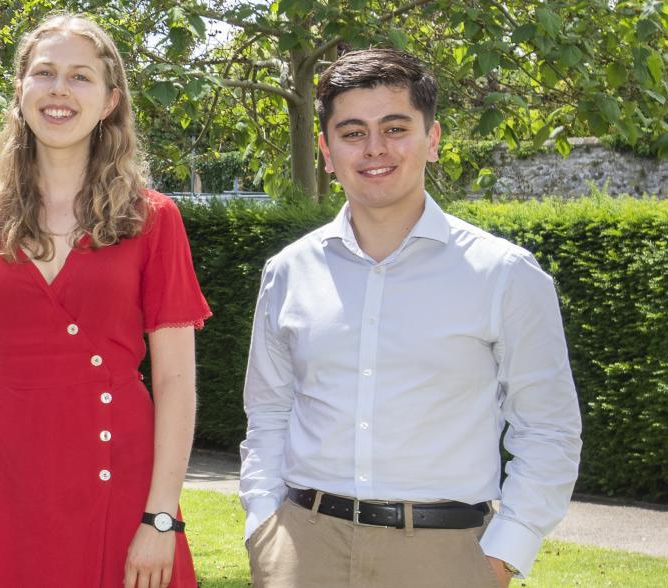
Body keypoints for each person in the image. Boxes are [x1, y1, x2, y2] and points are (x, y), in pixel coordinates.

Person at [238, 48, 582, 587]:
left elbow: (549, 429)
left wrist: (502, 555)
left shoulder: (504, 274)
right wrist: (263, 524)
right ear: (326, 151)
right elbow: (269, 412)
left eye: (395, 127)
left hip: (446, 558)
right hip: (302, 551)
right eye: (352, 133)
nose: (375, 148)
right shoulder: (289, 271)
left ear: (434, 139)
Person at [0, 13, 209, 588]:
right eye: (44, 73)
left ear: (109, 102)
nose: (59, 89)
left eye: (80, 77)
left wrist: (160, 516)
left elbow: (175, 378)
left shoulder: (153, 219)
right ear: (21, 91)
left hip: (120, 477)